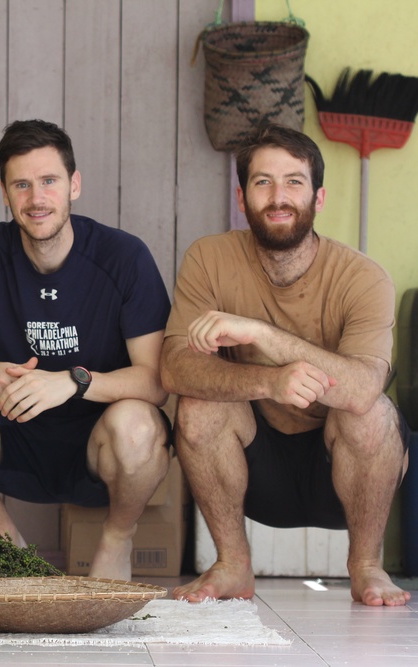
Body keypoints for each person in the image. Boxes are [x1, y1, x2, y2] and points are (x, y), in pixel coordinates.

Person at [0, 119, 172, 581]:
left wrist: (71, 382)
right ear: (4, 192)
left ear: (74, 185)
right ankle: (7, 547)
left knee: (140, 423)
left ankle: (116, 540)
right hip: (12, 432)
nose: (36, 198)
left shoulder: (124, 257)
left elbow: (156, 381)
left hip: (99, 438)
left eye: (49, 181)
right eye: (22, 185)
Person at [160, 124, 411, 607]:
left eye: (294, 182)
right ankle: (232, 563)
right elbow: (174, 369)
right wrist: (270, 382)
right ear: (241, 196)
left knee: (373, 414)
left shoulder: (363, 277)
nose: (279, 197)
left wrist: (264, 336)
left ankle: (366, 567)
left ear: (318, 198)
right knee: (197, 405)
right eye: (263, 182)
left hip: (343, 474)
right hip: (255, 468)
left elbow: (362, 390)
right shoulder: (209, 258)